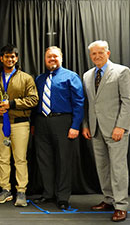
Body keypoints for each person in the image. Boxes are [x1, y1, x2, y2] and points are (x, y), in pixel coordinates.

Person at [82, 40, 130, 222]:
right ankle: (109, 199)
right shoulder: (87, 75)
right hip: (95, 129)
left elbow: (128, 101)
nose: (97, 56)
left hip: (116, 129)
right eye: (93, 54)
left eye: (100, 53)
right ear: (90, 56)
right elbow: (88, 103)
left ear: (108, 53)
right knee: (103, 167)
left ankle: (121, 205)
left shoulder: (122, 72)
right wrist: (86, 125)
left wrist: (121, 126)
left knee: (118, 168)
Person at [32, 46, 84, 210]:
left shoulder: (71, 76)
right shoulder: (39, 79)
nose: (52, 59)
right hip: (41, 122)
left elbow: (79, 102)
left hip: (63, 122)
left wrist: (75, 126)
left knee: (63, 160)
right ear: (45, 59)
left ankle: (62, 197)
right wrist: (34, 124)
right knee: (44, 160)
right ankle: (48, 193)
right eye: (49, 57)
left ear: (61, 58)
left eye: (55, 56)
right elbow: (34, 104)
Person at [0, 45, 38, 207]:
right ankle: (5, 190)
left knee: (20, 159)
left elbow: (33, 100)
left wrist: (12, 104)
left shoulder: (26, 78)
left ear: (17, 59)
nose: (10, 59)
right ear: (1, 58)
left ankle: (21, 191)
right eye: (6, 56)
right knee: (3, 159)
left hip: (19, 124)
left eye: (13, 57)